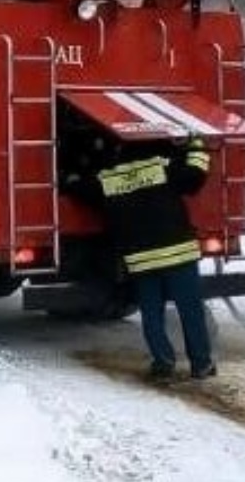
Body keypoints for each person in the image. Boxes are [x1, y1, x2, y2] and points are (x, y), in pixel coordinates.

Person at [87, 136, 217, 381]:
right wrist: (196, 145)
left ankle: (163, 364)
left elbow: (86, 192)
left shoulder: (109, 177)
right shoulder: (162, 167)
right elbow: (194, 178)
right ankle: (201, 364)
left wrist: (70, 178)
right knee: (190, 311)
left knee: (151, 315)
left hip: (142, 260)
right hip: (178, 254)